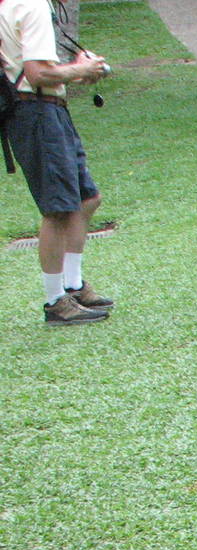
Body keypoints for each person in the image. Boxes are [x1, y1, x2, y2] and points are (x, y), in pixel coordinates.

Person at [1, 0, 113, 326]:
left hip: (45, 107)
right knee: (58, 209)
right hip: (36, 112)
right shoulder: (32, 5)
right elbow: (37, 73)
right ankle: (55, 301)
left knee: (85, 199)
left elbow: (35, 68)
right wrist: (82, 70)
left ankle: (73, 286)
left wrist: (76, 70)